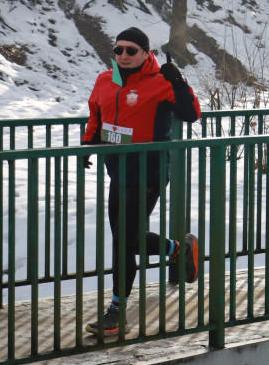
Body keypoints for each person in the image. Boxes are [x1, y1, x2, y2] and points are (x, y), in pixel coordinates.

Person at [82, 27, 202, 336]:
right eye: (118, 49)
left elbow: (191, 114)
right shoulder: (104, 80)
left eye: (131, 50)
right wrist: (87, 144)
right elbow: (96, 114)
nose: (123, 55)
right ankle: (178, 249)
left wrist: (179, 80)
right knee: (125, 238)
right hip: (117, 170)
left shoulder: (159, 82)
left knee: (125, 239)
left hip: (149, 169)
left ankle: (115, 311)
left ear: (146, 54)